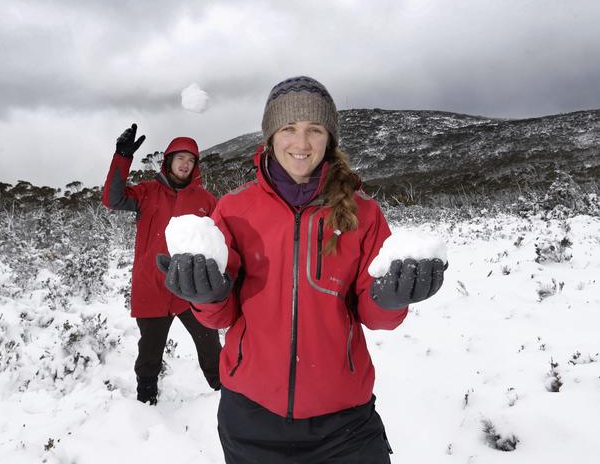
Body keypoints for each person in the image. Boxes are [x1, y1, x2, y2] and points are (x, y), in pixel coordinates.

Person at [156, 76, 446, 463]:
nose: (302, 143)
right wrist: (206, 296)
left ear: (330, 139)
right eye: (289, 128)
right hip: (251, 417)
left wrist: (390, 298)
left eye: (315, 129)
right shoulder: (234, 209)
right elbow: (221, 316)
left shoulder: (364, 214)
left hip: (345, 424)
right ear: (271, 136)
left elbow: (375, 317)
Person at [102, 124, 222, 405]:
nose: (185, 164)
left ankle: (223, 396)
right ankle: (146, 400)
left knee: (210, 344)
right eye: (180, 158)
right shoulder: (147, 192)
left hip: (192, 288)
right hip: (152, 285)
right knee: (150, 350)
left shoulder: (205, 200)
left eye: (191, 160)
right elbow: (112, 199)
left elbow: (221, 238)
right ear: (168, 161)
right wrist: (122, 157)